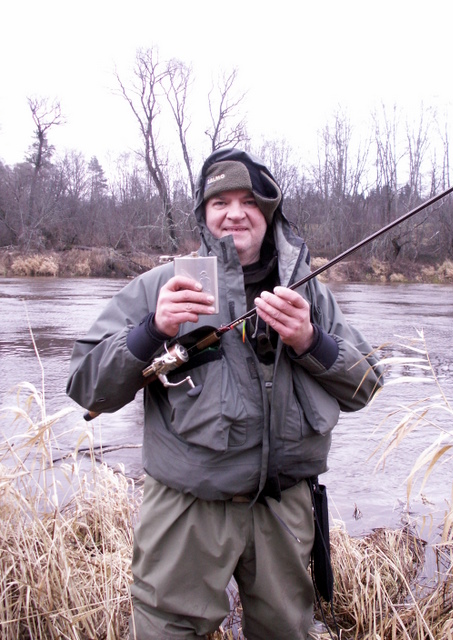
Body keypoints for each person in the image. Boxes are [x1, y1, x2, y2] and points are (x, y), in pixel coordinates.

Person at [67, 148, 383, 640]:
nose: (235, 213)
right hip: (186, 511)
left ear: (269, 212)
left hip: (283, 508)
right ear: (204, 214)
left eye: (249, 202)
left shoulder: (309, 292)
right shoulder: (163, 286)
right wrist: (152, 330)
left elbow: (365, 386)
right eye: (221, 203)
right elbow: (86, 385)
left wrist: (310, 340)